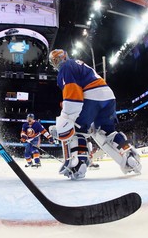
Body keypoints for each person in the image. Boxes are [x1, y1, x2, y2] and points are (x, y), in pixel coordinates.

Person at [48, 49, 141, 180]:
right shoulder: (78, 63)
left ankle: (79, 164)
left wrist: (66, 118)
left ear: (63, 58)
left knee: (78, 132)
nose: (57, 63)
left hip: (91, 96)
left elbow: (73, 96)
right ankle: (129, 155)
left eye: (56, 60)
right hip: (108, 96)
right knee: (107, 131)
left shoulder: (66, 68)